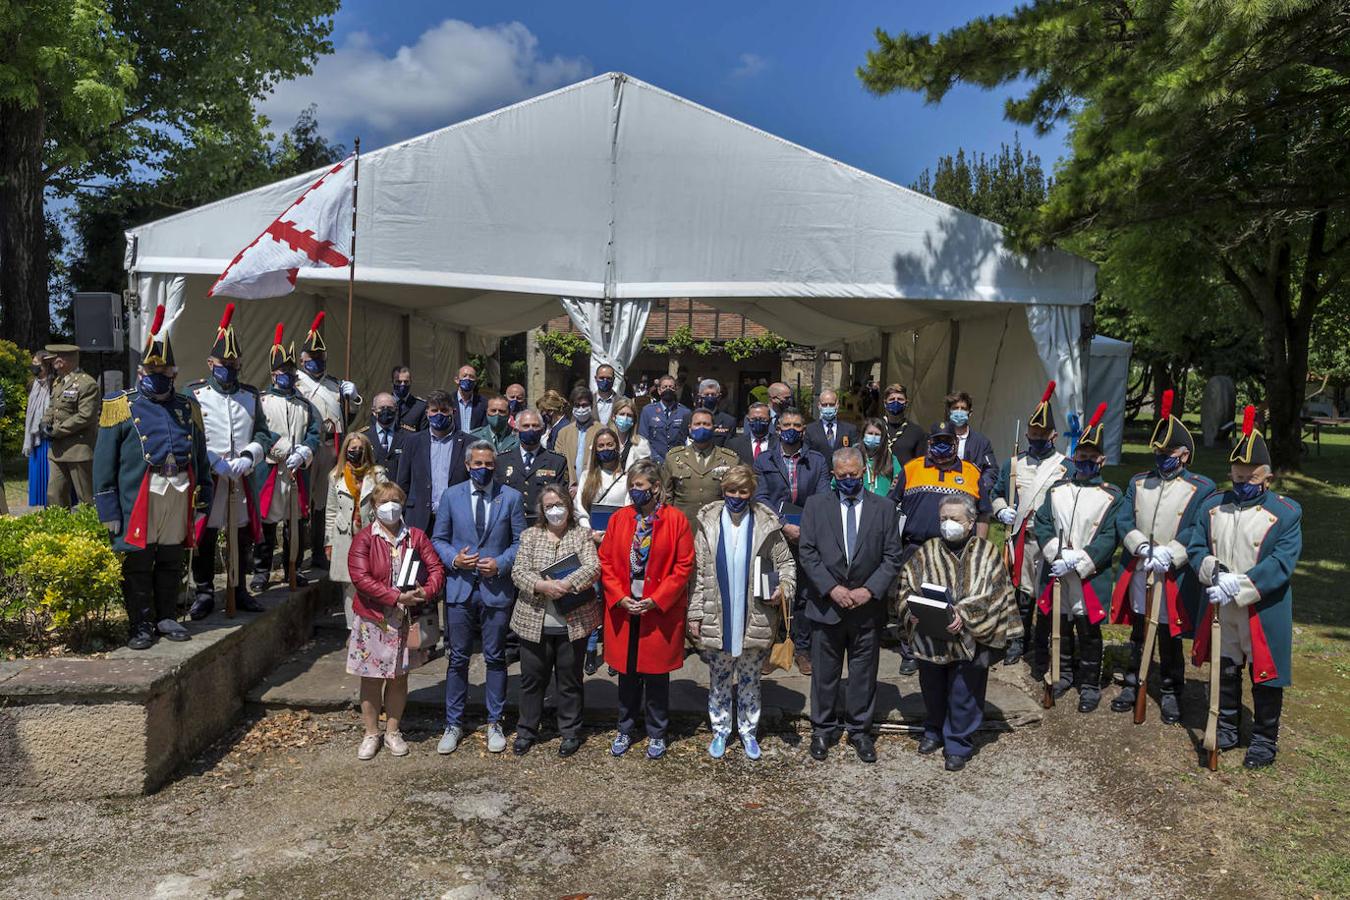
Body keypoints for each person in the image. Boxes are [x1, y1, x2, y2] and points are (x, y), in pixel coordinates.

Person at [93, 306, 211, 649]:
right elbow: (104, 463)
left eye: (164, 370)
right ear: (141, 370)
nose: (158, 374)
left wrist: (202, 499)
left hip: (177, 491)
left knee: (171, 558)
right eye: (151, 369)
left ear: (174, 373)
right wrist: (109, 509)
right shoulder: (120, 405)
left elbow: (200, 457)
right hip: (139, 495)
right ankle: (141, 623)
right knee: (139, 561)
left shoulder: (187, 407)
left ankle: (166, 615)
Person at [1188, 407, 1300, 768]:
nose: (1239, 486)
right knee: (1226, 665)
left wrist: (1242, 583)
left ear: (1266, 478)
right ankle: (1227, 726)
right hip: (1223, 605)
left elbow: (1282, 562)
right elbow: (1196, 545)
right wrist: (1212, 571)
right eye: (1235, 478)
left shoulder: (1285, 514)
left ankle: (1265, 739)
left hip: (1261, 606)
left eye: (1248, 479)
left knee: (1265, 673)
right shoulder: (1213, 506)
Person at [1109, 391, 1216, 723]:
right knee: (1139, 630)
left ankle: (1171, 690)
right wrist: (1140, 546)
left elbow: (1199, 529)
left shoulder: (1201, 487)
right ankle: (1133, 680)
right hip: (1142, 566)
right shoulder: (1139, 482)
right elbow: (1123, 519)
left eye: (1168, 452)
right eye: (1159, 452)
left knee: (1170, 635)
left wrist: (1171, 554)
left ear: (1183, 454)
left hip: (1172, 570)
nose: (1162, 457)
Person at [897, 493, 1017, 771]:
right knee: (933, 687)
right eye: (943, 519)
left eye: (954, 519)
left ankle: (958, 742)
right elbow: (907, 584)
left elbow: (995, 592)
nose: (948, 524)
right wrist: (913, 609)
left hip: (970, 638)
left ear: (971, 522)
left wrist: (962, 614)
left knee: (964, 691)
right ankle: (933, 730)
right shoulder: (927, 550)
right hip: (931, 635)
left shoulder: (987, 553)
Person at [799, 447, 903, 762]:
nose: (848, 480)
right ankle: (822, 729)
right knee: (825, 674)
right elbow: (807, 551)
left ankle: (860, 731)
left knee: (862, 674)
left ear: (863, 474)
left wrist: (869, 591)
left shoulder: (884, 508)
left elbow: (892, 556)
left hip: (866, 608)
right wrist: (831, 588)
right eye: (842, 476)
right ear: (833, 476)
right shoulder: (816, 506)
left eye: (853, 475)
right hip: (827, 606)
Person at [687, 465, 795, 760]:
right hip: (717, 614)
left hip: (754, 615)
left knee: (750, 679)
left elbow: (786, 564)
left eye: (743, 491)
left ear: (752, 492)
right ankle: (720, 729)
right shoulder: (707, 523)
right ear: (723, 490)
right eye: (731, 490)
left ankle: (748, 731)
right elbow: (697, 573)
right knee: (719, 678)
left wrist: (782, 590)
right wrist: (695, 613)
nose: (736, 496)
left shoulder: (765, 524)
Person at [431, 442, 527, 755]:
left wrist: (501, 563)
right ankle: (453, 723)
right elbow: (439, 539)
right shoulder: (451, 495)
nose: (483, 468)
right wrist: (453, 559)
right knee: (457, 657)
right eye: (478, 463)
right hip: (460, 587)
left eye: (488, 463)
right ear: (468, 464)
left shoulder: (510, 497)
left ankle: (494, 721)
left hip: (496, 588)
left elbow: (519, 542)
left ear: (495, 466)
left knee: (495, 657)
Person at [598, 459, 695, 759]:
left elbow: (684, 565)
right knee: (626, 673)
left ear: (655, 488)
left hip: (657, 609)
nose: (634, 491)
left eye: (639, 486)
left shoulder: (676, 520)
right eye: (631, 486)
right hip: (625, 607)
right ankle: (625, 727)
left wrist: (659, 598)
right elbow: (606, 561)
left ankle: (656, 732)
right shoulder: (619, 519)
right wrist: (618, 595)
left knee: (655, 676)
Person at [1032, 404, 1123, 712]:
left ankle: (1089, 684)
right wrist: (1054, 552)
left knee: (1088, 629)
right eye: (1081, 457)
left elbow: (1111, 536)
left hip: (1088, 574)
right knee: (1060, 625)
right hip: (1057, 569)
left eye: (1091, 458)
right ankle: (1063, 674)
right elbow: (1042, 522)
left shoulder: (1113, 496)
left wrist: (1080, 559)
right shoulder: (1057, 490)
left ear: (1102, 460)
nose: (1085, 463)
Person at [346, 481, 446, 759]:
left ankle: (393, 730)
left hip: (406, 619)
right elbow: (360, 578)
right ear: (374, 508)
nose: (390, 507)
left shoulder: (416, 536)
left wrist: (427, 590)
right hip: (374, 619)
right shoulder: (364, 538)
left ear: (403, 505)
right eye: (383, 503)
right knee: (371, 678)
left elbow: (436, 567)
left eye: (395, 501)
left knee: (399, 677)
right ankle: (370, 733)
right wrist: (394, 596)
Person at [187, 304, 271, 618]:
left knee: (242, 533)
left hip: (241, 476)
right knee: (205, 533)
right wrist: (210, 460)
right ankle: (205, 591)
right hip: (211, 475)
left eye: (235, 363)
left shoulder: (250, 395)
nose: (230, 368)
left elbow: (263, 433)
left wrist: (250, 456)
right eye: (224, 363)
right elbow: (190, 434)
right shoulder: (194, 394)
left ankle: (239, 588)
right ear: (211, 363)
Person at [889, 420, 991, 674]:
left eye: (948, 441)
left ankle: (948, 646)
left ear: (956, 443)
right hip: (916, 548)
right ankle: (910, 651)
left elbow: (983, 514)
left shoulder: (971, 472)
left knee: (951, 602)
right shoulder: (912, 469)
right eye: (938, 442)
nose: (943, 446)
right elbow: (891, 505)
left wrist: (978, 547)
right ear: (929, 444)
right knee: (910, 601)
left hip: (956, 551)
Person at [509, 484, 602, 756]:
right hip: (534, 620)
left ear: (569, 506)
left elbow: (593, 567)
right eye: (549, 506)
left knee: (570, 680)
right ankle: (526, 730)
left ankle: (570, 731)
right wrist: (541, 586)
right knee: (531, 680)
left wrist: (565, 584)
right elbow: (518, 571)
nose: (554, 510)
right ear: (541, 510)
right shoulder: (530, 535)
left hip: (572, 623)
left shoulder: (582, 535)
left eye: (559, 504)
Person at [991, 383, 1069, 666]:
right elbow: (997, 493)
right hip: (1021, 536)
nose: (1036, 440)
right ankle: (1017, 642)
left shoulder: (1065, 467)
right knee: (1021, 594)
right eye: (1033, 435)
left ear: (1053, 436)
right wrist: (1001, 511)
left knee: (1046, 594)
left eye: (1042, 436)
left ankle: (1041, 645)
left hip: (1049, 541)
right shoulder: (1013, 464)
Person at [753, 408, 831, 673]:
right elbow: (761, 497)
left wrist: (803, 530)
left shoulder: (817, 461)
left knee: (803, 595)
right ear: (778, 428)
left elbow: (822, 497)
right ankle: (771, 648)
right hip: (773, 536)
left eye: (798, 425)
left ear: (804, 430)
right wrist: (784, 525)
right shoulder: (765, 460)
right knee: (772, 593)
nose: (792, 429)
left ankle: (801, 649)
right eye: (787, 424)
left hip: (807, 537)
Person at [250, 325, 321, 592]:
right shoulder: (262, 400)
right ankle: (261, 571)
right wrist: (282, 450)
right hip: (270, 469)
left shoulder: (305, 404)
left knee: (296, 524)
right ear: (273, 374)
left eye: (292, 373)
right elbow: (259, 430)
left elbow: (315, 431)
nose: (288, 377)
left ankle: (294, 567)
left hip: (296, 471)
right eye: (283, 373)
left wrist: (305, 451)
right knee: (267, 524)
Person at [297, 312, 362, 570]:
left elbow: (349, 417)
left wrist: (354, 398)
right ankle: (296, 555)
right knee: (302, 502)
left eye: (320, 358)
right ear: (302, 360)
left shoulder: (336, 384)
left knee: (324, 503)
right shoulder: (296, 384)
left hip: (331, 447)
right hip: (306, 446)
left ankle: (319, 551)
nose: (316, 363)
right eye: (311, 359)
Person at [326, 432, 389, 625]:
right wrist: (328, 542)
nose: (356, 453)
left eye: (360, 449)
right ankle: (352, 629)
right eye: (352, 449)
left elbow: (387, 504)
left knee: (374, 581)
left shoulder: (378, 474)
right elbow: (331, 510)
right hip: (345, 535)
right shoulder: (335, 475)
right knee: (349, 585)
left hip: (371, 533)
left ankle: (374, 625)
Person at [395, 390, 472, 533]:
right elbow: (403, 483)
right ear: (427, 413)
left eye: (444, 410)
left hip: (456, 521)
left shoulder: (469, 443)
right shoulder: (413, 441)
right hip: (419, 520)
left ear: (453, 412)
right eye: (434, 410)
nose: (439, 414)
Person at [40, 343, 100, 508]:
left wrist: (57, 430)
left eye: (53, 360)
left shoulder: (87, 384)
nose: (52, 364)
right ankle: (58, 531)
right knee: (54, 494)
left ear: (61, 361)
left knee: (85, 498)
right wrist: (45, 422)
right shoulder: (59, 382)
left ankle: (90, 531)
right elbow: (53, 407)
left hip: (78, 450)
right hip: (57, 450)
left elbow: (85, 416)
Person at [662, 408, 740, 532]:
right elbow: (666, 495)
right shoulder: (673, 458)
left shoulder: (730, 460)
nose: (701, 427)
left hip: (716, 527)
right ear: (689, 427)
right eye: (697, 424)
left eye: (706, 424)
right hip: (682, 526)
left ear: (714, 428)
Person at [496, 408, 569, 527]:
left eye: (535, 426)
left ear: (542, 429)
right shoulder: (502, 460)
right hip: (509, 524)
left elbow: (562, 498)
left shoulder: (557, 461)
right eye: (526, 426)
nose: (531, 430)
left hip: (543, 525)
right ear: (517, 429)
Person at [945, 391, 998, 498]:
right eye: (955, 408)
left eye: (963, 409)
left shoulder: (982, 442)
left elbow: (991, 470)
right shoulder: (938, 438)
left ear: (970, 412)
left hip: (971, 496)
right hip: (943, 493)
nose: (959, 412)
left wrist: (980, 487)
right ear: (948, 411)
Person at [22, 350, 54, 508]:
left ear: (46, 366)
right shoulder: (33, 385)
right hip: (35, 439)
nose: (34, 367)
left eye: (37, 364)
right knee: (38, 480)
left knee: (51, 480)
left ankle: (54, 508)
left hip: (48, 438)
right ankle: (44, 509)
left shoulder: (54, 384)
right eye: (33, 364)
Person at [637, 374, 691, 465]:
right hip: (653, 462)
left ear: (676, 390)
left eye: (671, 387)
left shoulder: (685, 412)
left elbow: (688, 440)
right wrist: (657, 459)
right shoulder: (648, 411)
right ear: (659, 390)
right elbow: (643, 438)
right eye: (664, 387)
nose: (668, 389)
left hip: (678, 463)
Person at [553, 386, 598, 487]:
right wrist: (571, 484)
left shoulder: (601, 431)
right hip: (569, 489)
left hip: (593, 486)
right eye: (577, 405)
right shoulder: (563, 433)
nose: (581, 409)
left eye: (584, 405)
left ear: (591, 405)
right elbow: (559, 461)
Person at [881, 383, 926, 464]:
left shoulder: (917, 431)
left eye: (900, 399)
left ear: (906, 403)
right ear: (885, 403)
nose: (896, 402)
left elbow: (920, 462)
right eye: (891, 399)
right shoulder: (877, 428)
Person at [804, 389, 858, 456]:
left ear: (837, 405)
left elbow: (855, 455)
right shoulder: (810, 429)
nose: (828, 407)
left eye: (831, 404)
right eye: (824, 405)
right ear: (819, 406)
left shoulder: (850, 429)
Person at [362, 392, 408, 469]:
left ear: (396, 410)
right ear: (374, 411)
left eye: (390, 408)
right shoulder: (363, 436)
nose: (386, 411)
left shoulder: (408, 436)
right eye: (382, 408)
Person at [859, 418, 900, 496]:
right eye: (870, 433)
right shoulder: (853, 457)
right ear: (863, 434)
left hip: (883, 504)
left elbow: (900, 482)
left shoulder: (890, 459)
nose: (873, 437)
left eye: (877, 434)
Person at [609, 397, 651, 467]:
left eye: (629, 415)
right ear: (614, 417)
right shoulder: (604, 440)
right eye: (622, 414)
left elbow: (645, 471)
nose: (625, 418)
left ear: (633, 420)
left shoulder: (641, 444)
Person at [696, 378, 738, 446]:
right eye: (707, 394)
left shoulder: (729, 421)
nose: (710, 397)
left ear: (719, 397)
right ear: (700, 396)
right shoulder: (688, 418)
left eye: (713, 394)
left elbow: (730, 447)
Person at [391, 366, 427, 432]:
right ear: (392, 383)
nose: (402, 385)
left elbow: (423, 435)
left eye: (406, 382)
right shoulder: (382, 404)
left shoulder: (420, 406)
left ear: (411, 382)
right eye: (398, 382)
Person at [454, 364, 487, 431]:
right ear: (457, 380)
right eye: (464, 376)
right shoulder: (448, 401)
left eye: (471, 377)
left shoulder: (483, 403)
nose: (468, 379)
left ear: (475, 382)